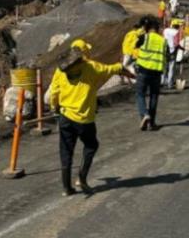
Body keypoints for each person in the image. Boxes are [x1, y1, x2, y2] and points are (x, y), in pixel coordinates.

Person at [50, 39, 134, 196]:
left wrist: (55, 107)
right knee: (91, 145)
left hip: (65, 116)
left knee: (66, 151)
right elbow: (112, 68)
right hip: (84, 120)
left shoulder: (60, 70)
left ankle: (66, 188)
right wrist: (126, 71)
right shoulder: (91, 67)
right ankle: (81, 178)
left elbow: (54, 93)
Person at [134, 16, 168, 131]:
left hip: (143, 71)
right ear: (157, 28)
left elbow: (135, 46)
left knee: (140, 94)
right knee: (154, 96)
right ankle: (151, 123)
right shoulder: (163, 40)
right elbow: (166, 56)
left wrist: (141, 31)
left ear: (147, 28)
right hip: (157, 72)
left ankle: (145, 114)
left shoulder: (144, 37)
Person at [162, 19, 181, 88]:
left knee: (164, 67)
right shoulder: (176, 32)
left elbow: (163, 39)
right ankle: (170, 84)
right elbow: (176, 43)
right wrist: (180, 48)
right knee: (171, 67)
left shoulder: (165, 30)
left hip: (165, 50)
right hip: (172, 51)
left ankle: (163, 81)